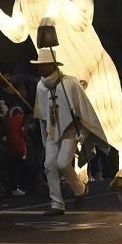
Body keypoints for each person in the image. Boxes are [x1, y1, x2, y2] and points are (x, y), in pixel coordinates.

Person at [31, 46, 93, 217]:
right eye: (40, 65)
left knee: (63, 164)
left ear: (54, 65)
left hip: (70, 129)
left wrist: (85, 131)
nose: (41, 68)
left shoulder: (70, 83)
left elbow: (84, 109)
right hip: (52, 131)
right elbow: (42, 115)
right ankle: (57, 204)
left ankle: (79, 189)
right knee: (49, 165)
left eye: (45, 65)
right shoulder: (40, 87)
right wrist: (45, 137)